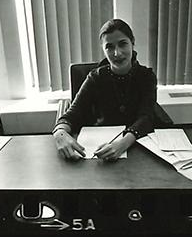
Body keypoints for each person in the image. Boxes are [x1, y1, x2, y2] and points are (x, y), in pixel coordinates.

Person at [52, 18, 172, 161]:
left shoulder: (146, 76)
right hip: (100, 150)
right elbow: (72, 114)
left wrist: (121, 144)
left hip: (137, 146)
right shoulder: (95, 78)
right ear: (103, 50)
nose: (117, 53)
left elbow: (145, 117)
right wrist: (60, 134)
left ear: (132, 43)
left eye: (123, 44)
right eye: (109, 47)